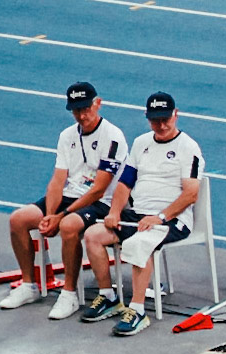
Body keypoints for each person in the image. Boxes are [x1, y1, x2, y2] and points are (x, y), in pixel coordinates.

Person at [80, 92, 205, 336]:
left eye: (165, 119)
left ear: (175, 115)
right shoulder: (141, 143)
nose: (161, 125)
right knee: (93, 235)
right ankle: (108, 296)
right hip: (136, 214)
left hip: (172, 221)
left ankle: (137, 311)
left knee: (139, 243)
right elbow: (125, 184)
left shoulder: (188, 147)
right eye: (155, 120)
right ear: (147, 119)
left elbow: (191, 194)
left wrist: (160, 216)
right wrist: (115, 211)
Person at [0, 82, 127, 320]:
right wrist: (49, 215)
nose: (82, 115)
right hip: (70, 196)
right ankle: (29, 285)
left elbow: (99, 189)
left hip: (101, 201)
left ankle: (69, 294)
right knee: (18, 219)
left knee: (68, 226)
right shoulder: (66, 136)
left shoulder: (113, 137)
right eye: (76, 110)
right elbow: (58, 181)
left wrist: (61, 216)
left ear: (97, 104)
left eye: (86, 108)